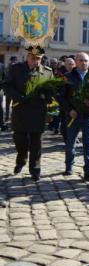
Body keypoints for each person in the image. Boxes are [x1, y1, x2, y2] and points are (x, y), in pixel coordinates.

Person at [4, 47, 53, 181]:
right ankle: (21, 159)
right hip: (20, 110)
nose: (35, 61)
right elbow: (7, 86)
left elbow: (51, 90)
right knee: (20, 141)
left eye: (38, 59)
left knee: (36, 142)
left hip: (38, 112)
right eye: (33, 58)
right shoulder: (16, 69)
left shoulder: (47, 72)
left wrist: (50, 99)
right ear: (27, 57)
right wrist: (18, 97)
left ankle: (35, 169)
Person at [59, 52, 89, 182]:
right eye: (81, 60)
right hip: (73, 116)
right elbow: (61, 98)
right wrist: (69, 110)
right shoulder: (67, 77)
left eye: (86, 61)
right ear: (76, 62)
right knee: (70, 143)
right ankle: (69, 166)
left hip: (88, 116)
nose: (84, 63)